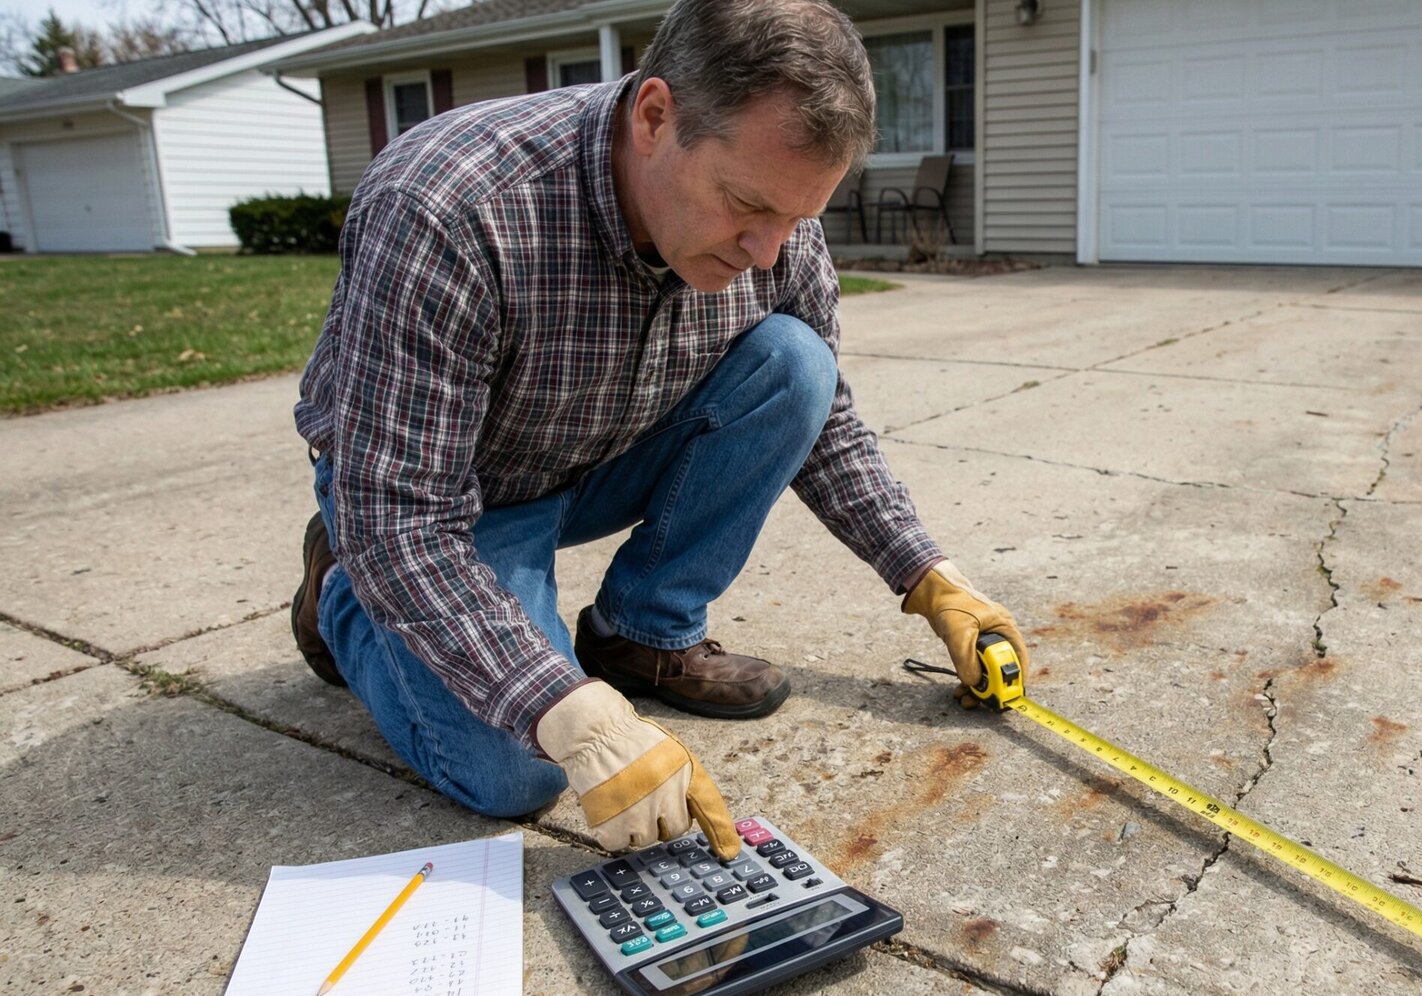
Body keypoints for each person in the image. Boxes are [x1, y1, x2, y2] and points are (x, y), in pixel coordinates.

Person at [290, 0, 1028, 861]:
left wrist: (930, 575)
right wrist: (562, 708)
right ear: (654, 116)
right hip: (449, 501)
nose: (769, 252)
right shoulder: (449, 206)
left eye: (799, 218)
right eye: (747, 206)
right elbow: (403, 515)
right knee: (514, 771)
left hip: (605, 447)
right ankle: (343, 594)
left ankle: (642, 636)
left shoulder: (776, 221)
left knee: (796, 363)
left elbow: (821, 421)